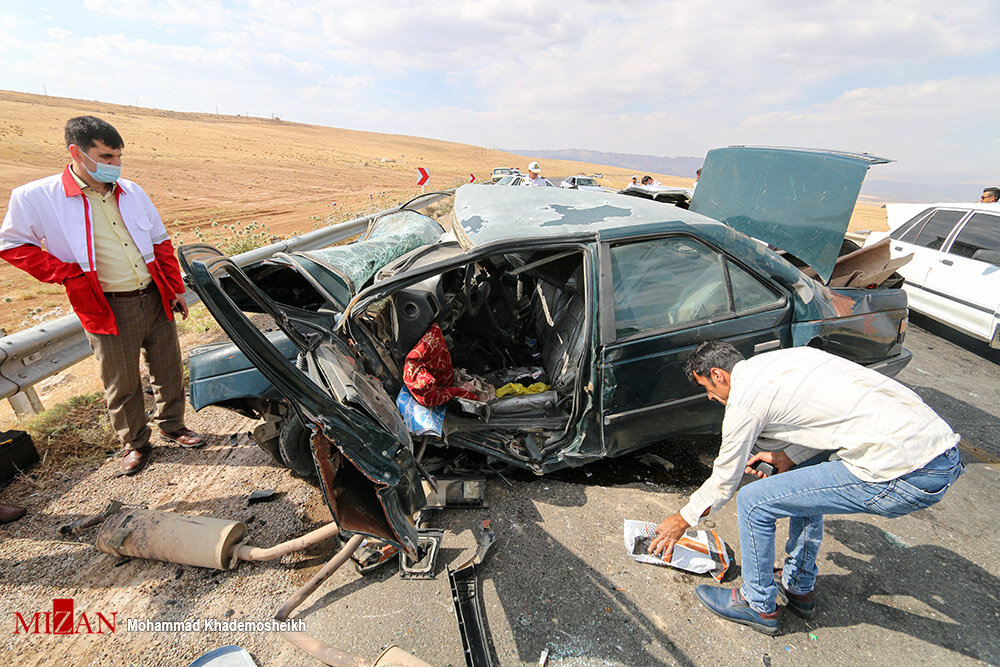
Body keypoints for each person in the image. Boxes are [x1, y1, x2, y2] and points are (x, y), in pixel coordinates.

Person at [649, 341, 963, 635]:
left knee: (753, 502)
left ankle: (757, 603)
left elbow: (724, 481)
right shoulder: (785, 360)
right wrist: (788, 456)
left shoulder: (745, 400)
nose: (709, 397)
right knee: (804, 474)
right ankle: (799, 585)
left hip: (905, 470)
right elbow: (829, 415)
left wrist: (681, 520)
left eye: (706, 387)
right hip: (939, 448)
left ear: (718, 374)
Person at [0, 116, 203, 476]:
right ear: (76, 152)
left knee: (168, 367)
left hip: (154, 294)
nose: (115, 165)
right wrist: (66, 273)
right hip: (107, 304)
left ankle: (173, 425)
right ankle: (135, 443)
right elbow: (12, 245)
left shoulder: (132, 191)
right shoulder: (37, 197)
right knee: (121, 381)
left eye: (119, 157)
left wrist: (174, 289)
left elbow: (160, 243)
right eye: (107, 157)